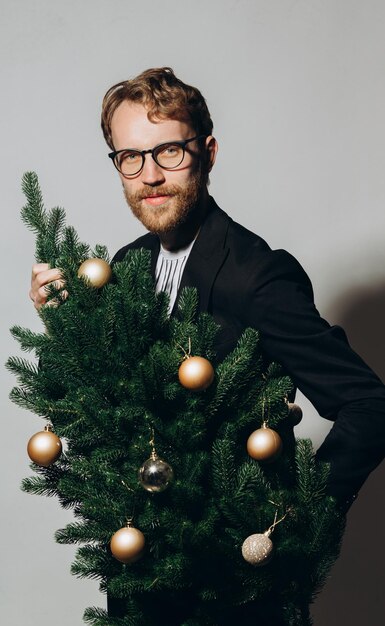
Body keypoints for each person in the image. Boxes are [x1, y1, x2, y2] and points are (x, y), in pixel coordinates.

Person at [29, 66, 385, 618]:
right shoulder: (125, 265)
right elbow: (109, 408)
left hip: (234, 593)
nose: (150, 175)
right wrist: (65, 324)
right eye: (131, 157)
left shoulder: (258, 275)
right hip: (140, 582)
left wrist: (293, 521)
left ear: (208, 152)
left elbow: (368, 405)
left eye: (168, 151)